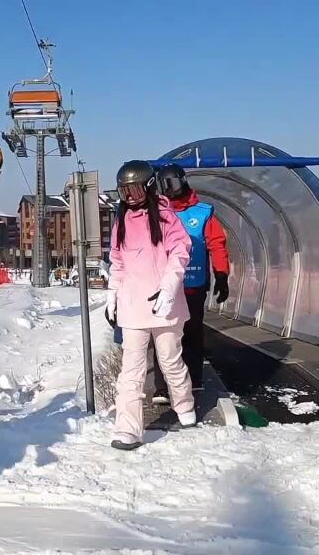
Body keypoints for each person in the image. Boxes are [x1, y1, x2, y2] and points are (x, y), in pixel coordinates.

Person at [105, 160, 195, 451]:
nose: (129, 197)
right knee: (131, 370)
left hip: (164, 305)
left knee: (170, 360)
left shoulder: (167, 217)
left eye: (134, 190)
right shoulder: (121, 222)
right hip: (133, 307)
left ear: (149, 187)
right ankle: (127, 429)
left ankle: (184, 405)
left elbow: (180, 252)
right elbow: (117, 263)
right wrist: (112, 294)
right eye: (124, 191)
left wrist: (169, 287)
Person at [151, 163, 230, 397]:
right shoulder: (158, 212)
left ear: (183, 181)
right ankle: (163, 387)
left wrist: (222, 275)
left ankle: (194, 378)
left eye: (173, 183)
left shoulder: (202, 212)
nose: (170, 190)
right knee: (164, 336)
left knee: (193, 333)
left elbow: (217, 244)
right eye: (164, 185)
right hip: (165, 286)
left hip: (194, 284)